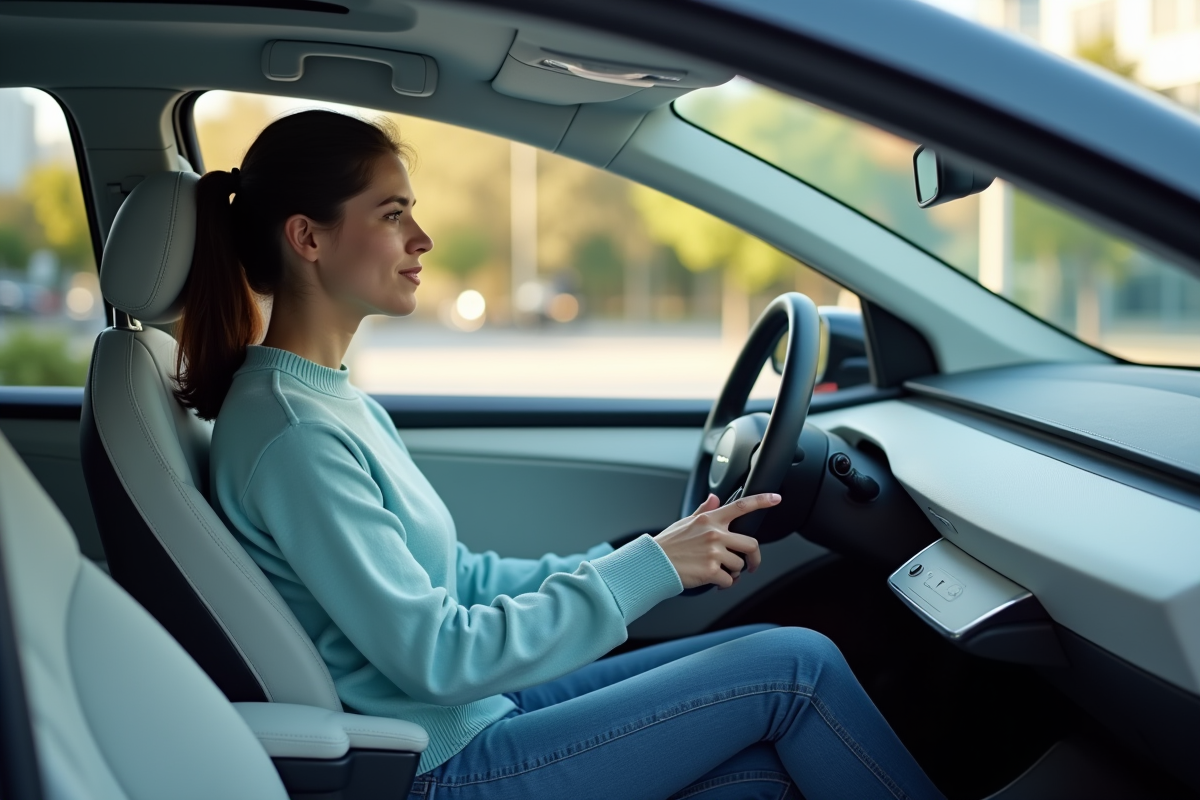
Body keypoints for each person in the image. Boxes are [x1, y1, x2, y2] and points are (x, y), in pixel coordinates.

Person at [183, 109, 945, 800]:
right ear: (308, 239)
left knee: (766, 728)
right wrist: (648, 571)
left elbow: (458, 580)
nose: (422, 238)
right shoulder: (293, 434)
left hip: (468, 717)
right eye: (392, 214)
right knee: (798, 670)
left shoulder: (325, 399)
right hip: (436, 765)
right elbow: (437, 656)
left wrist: (639, 556)